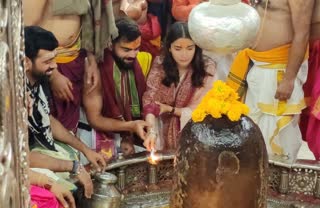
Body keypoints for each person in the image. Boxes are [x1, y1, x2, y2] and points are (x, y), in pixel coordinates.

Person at [226, 0, 315, 164]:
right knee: (252, 127)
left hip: (279, 72)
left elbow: (302, 34)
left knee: (276, 133)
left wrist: (288, 80)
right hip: (256, 66)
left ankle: (279, 183)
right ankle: (255, 181)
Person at [25, 26, 106, 198]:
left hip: (34, 151)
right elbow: (23, 157)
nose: (54, 66)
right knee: (65, 184)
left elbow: (47, 120)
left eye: (54, 59)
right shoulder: (13, 95)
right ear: (26, 62)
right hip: (17, 168)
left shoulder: (38, 79)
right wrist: (73, 166)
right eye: (47, 62)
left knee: (72, 153)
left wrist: (86, 150)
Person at [23, 0, 99, 133]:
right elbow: (27, 31)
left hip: (75, 60)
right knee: (47, 126)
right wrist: (54, 74)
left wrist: (91, 60)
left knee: (70, 131)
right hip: (45, 66)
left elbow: (86, 18)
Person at [82, 17, 152, 158]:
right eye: (126, 49)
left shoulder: (134, 65)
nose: (133, 55)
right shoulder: (95, 72)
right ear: (110, 44)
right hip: (96, 139)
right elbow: (95, 119)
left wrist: (130, 133)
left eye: (136, 49)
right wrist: (130, 127)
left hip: (129, 135)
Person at [143, 22, 217, 151]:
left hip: (195, 132)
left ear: (197, 47)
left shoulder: (206, 68)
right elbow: (150, 102)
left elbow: (203, 109)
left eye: (190, 48)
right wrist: (151, 132)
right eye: (178, 48)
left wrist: (170, 109)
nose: (184, 54)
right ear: (169, 47)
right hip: (162, 130)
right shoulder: (160, 65)